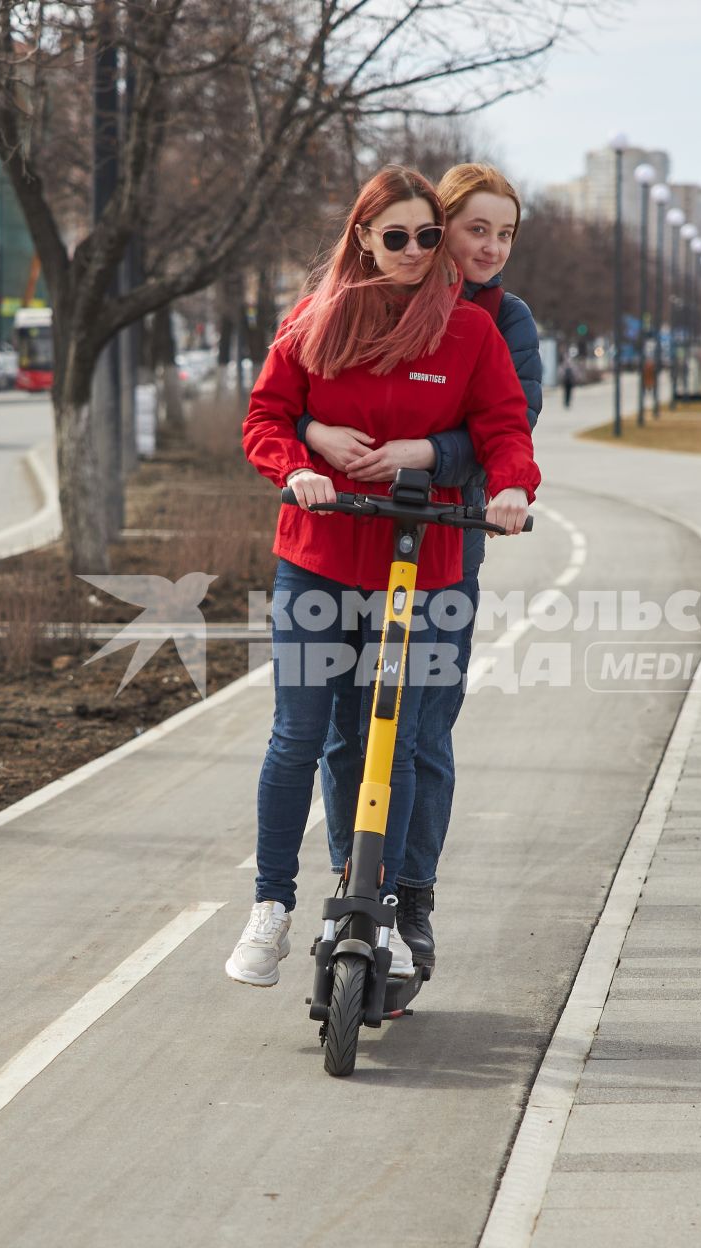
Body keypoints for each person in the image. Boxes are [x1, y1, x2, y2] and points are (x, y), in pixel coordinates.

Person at [232, 165, 539, 988]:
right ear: (363, 236)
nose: (413, 251)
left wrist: (512, 487)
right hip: (320, 558)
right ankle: (270, 907)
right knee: (300, 735)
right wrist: (299, 459)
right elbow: (265, 416)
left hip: (423, 567)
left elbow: (506, 426)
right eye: (394, 236)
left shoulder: (471, 332)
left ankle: (386, 909)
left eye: (427, 236)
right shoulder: (317, 320)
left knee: (394, 741)